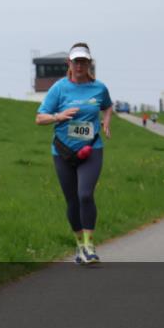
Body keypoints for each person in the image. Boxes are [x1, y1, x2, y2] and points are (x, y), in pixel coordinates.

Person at [35, 43, 112, 265]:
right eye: (76, 61)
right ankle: (79, 246)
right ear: (69, 63)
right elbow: (40, 118)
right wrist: (58, 116)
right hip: (63, 152)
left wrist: (106, 120)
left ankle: (89, 246)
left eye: (84, 62)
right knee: (72, 201)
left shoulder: (99, 88)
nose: (79, 66)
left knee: (85, 195)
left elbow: (107, 105)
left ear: (89, 64)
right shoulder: (59, 88)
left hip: (92, 149)